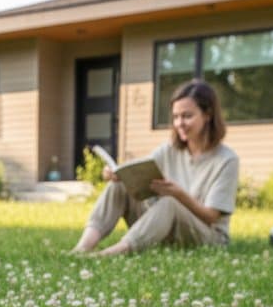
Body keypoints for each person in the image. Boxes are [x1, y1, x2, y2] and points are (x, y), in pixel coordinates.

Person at [71, 79, 238, 256]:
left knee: (170, 202)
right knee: (119, 185)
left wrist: (178, 194)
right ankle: (82, 248)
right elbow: (139, 170)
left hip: (209, 236)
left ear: (208, 115)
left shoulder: (226, 160)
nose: (179, 123)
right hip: (166, 227)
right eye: (176, 117)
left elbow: (211, 216)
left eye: (187, 116)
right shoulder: (169, 150)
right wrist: (118, 174)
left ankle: (116, 252)